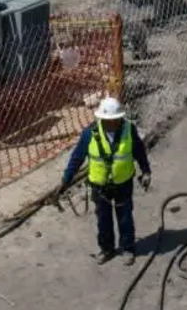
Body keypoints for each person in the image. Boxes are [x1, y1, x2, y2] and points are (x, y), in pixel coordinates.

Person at [60, 97, 151, 266]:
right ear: (101, 119)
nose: (113, 123)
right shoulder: (89, 134)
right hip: (100, 187)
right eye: (109, 120)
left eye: (116, 120)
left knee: (125, 218)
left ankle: (127, 248)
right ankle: (106, 249)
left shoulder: (128, 130)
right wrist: (66, 180)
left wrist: (146, 170)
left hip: (123, 183)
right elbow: (77, 158)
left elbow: (139, 151)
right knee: (103, 219)